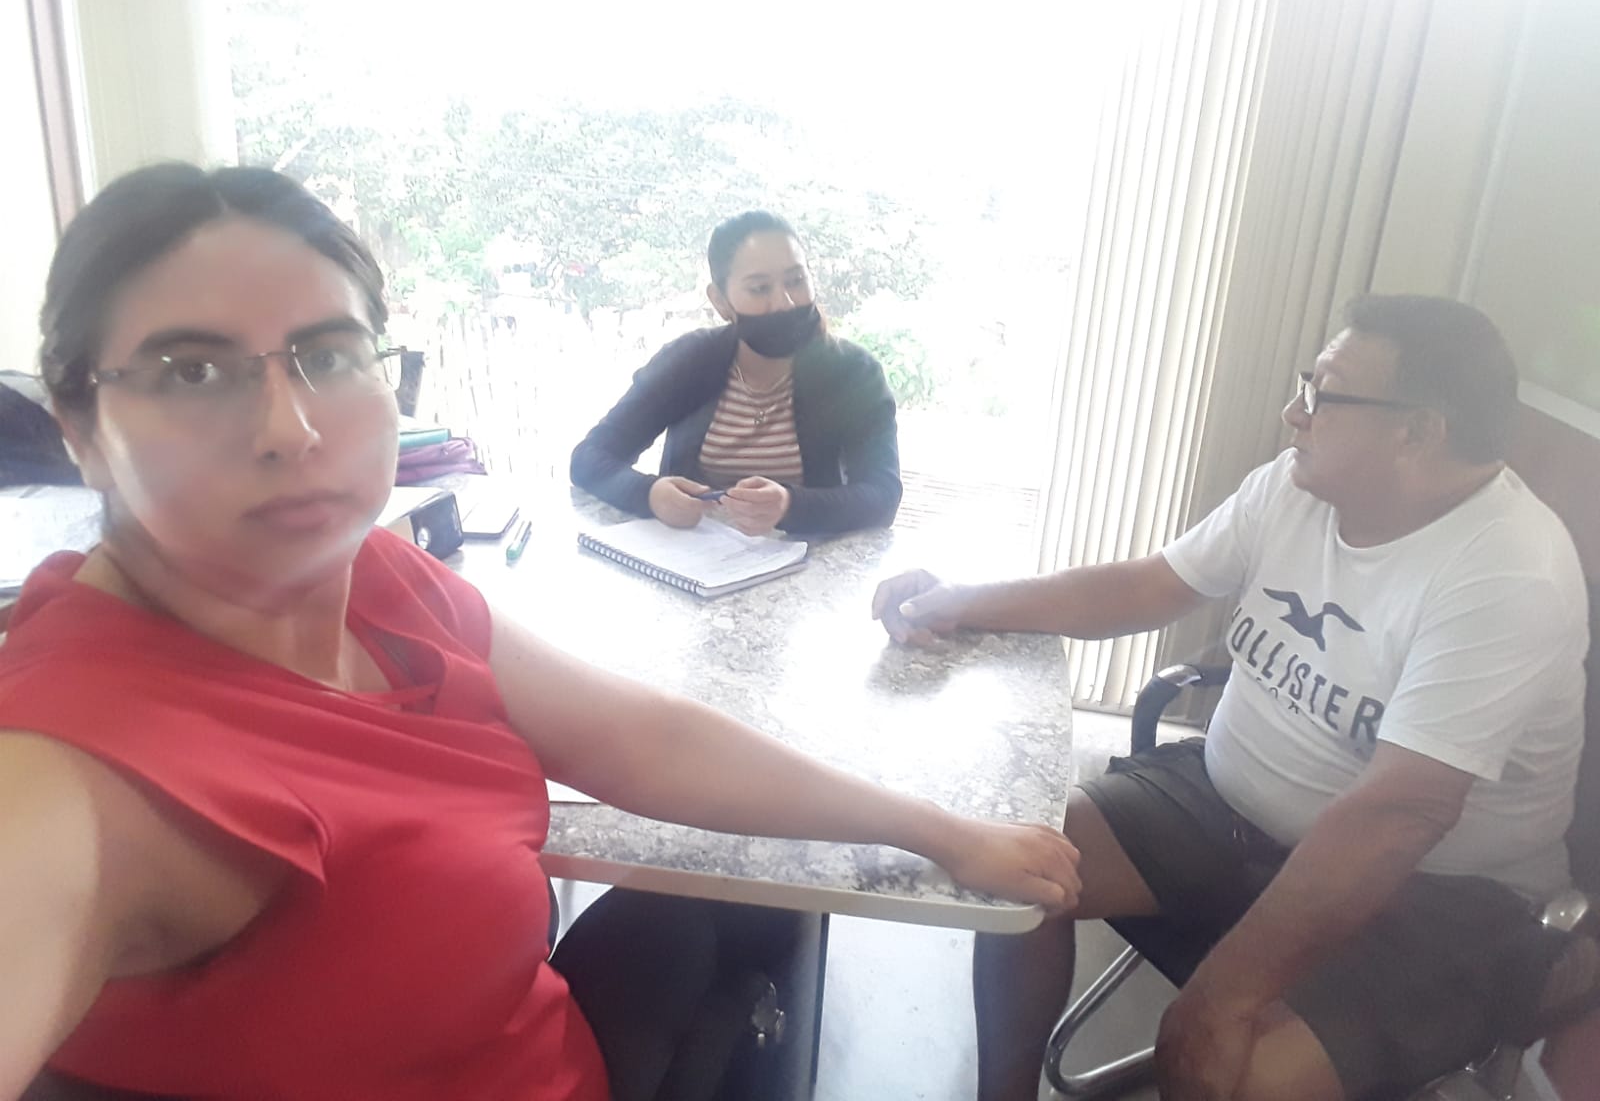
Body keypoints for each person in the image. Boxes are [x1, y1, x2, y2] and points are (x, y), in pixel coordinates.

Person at [0, 164, 1081, 1101]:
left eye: (325, 355)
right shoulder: (73, 766)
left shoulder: (370, 573)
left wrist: (937, 830)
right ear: (78, 426)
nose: (290, 428)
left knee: (754, 922)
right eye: (192, 371)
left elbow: (642, 739)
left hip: (549, 1051)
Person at [872, 296, 1592, 1101]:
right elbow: (1148, 586)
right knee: (1020, 869)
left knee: (1238, 1070)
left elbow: (1400, 813)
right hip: (1228, 804)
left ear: (1417, 432)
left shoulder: (1508, 577)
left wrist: (1223, 997)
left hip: (1435, 896)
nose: (1294, 413)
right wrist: (963, 601)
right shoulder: (1297, 486)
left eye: (1323, 393)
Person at [570, 211, 902, 538]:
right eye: (759, 288)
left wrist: (790, 506)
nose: (785, 303)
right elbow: (589, 458)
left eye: (796, 281)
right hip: (692, 557)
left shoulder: (854, 374)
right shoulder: (688, 362)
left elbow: (882, 496)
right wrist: (649, 494)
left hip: (809, 560)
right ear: (720, 301)